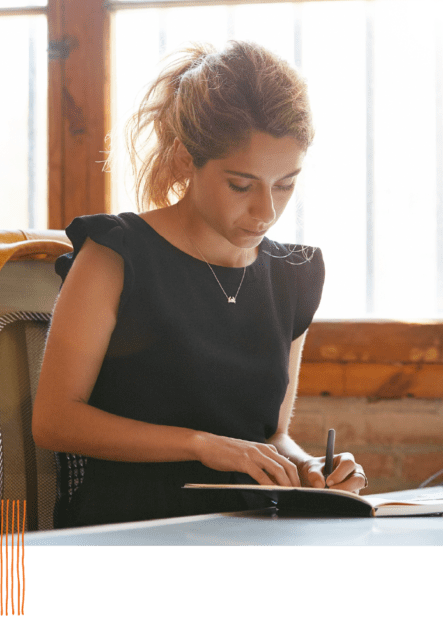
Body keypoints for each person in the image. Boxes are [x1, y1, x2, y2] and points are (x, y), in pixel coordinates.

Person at [32, 40, 367, 527]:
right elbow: (55, 420)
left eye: (285, 184)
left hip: (253, 530)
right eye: (241, 184)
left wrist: (311, 468)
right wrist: (200, 445)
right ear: (188, 159)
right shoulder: (115, 254)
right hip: (129, 529)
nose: (266, 211)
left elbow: (271, 436)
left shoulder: (295, 275)